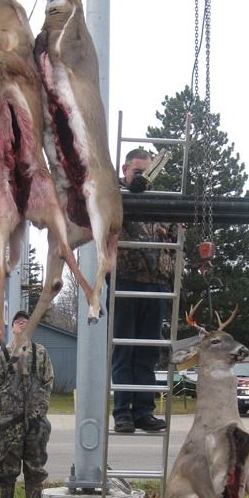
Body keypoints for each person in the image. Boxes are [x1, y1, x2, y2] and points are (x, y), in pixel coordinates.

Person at [112, 148, 174, 434]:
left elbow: (173, 236)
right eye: (138, 172)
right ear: (125, 170)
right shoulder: (114, 195)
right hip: (125, 280)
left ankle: (144, 411)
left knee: (148, 352)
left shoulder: (159, 201)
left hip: (157, 284)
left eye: (149, 173)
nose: (143, 179)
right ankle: (123, 412)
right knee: (124, 349)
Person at [0, 310, 55, 498]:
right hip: (9, 424)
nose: (22, 325)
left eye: (26, 322)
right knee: (7, 470)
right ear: (13, 328)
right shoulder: (3, 354)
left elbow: (48, 382)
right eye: (18, 323)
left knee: (35, 470)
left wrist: (39, 410)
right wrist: (2, 410)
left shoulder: (41, 353)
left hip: (36, 423)